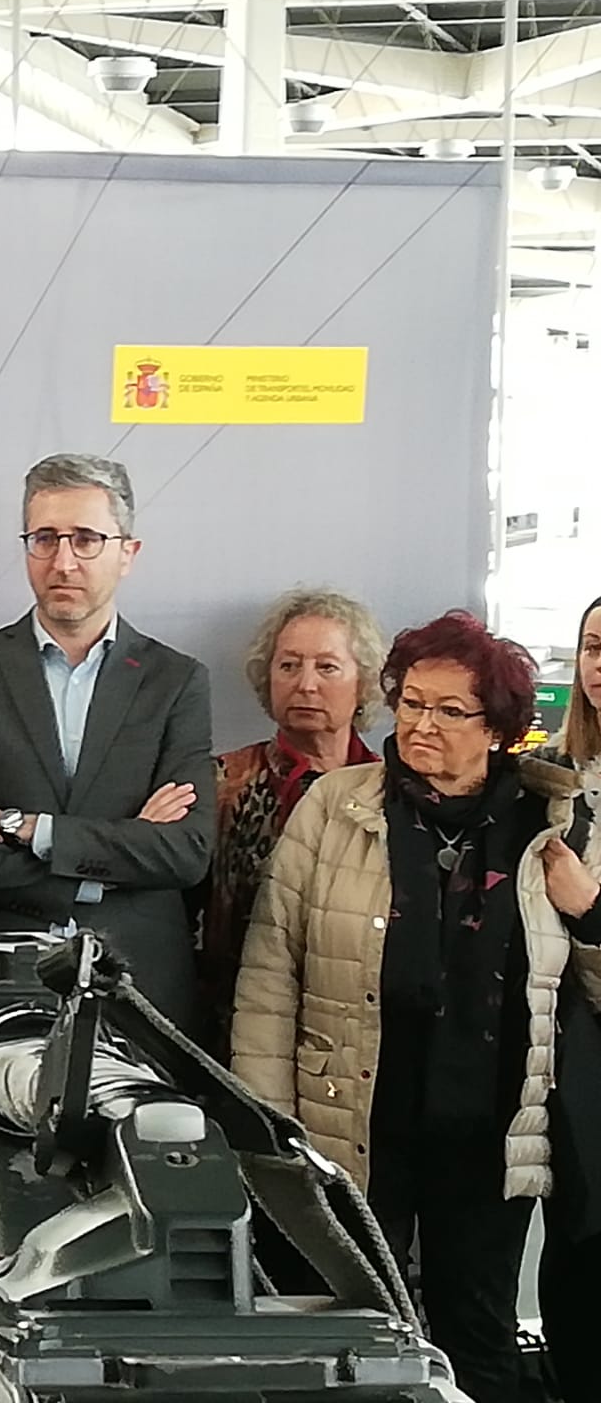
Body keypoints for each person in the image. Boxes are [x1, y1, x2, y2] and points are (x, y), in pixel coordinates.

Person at [231, 611, 601, 1403]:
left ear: (499, 728)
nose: (420, 725)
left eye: (448, 710)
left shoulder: (551, 824)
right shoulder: (337, 805)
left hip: (491, 1137)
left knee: (479, 1341)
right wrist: (267, 1126)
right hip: (351, 1125)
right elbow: (270, 973)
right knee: (347, 1341)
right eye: (409, 703)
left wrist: (592, 915)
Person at [0, 453, 214, 1058]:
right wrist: (109, 866)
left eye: (86, 539)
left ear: (127, 552)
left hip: (138, 996)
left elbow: (186, 852)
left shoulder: (175, 680)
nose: (63, 561)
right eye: (44, 538)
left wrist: (31, 829)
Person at [190, 588, 382, 1061]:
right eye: (289, 665)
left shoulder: (392, 794)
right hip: (233, 1034)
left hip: (360, 1044)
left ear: (364, 682)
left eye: (328, 667)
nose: (306, 684)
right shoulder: (222, 782)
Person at [528, 592, 601, 1400]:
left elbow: (574, 906)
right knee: (577, 1247)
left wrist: (591, 909)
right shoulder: (546, 774)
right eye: (592, 647)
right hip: (568, 1045)